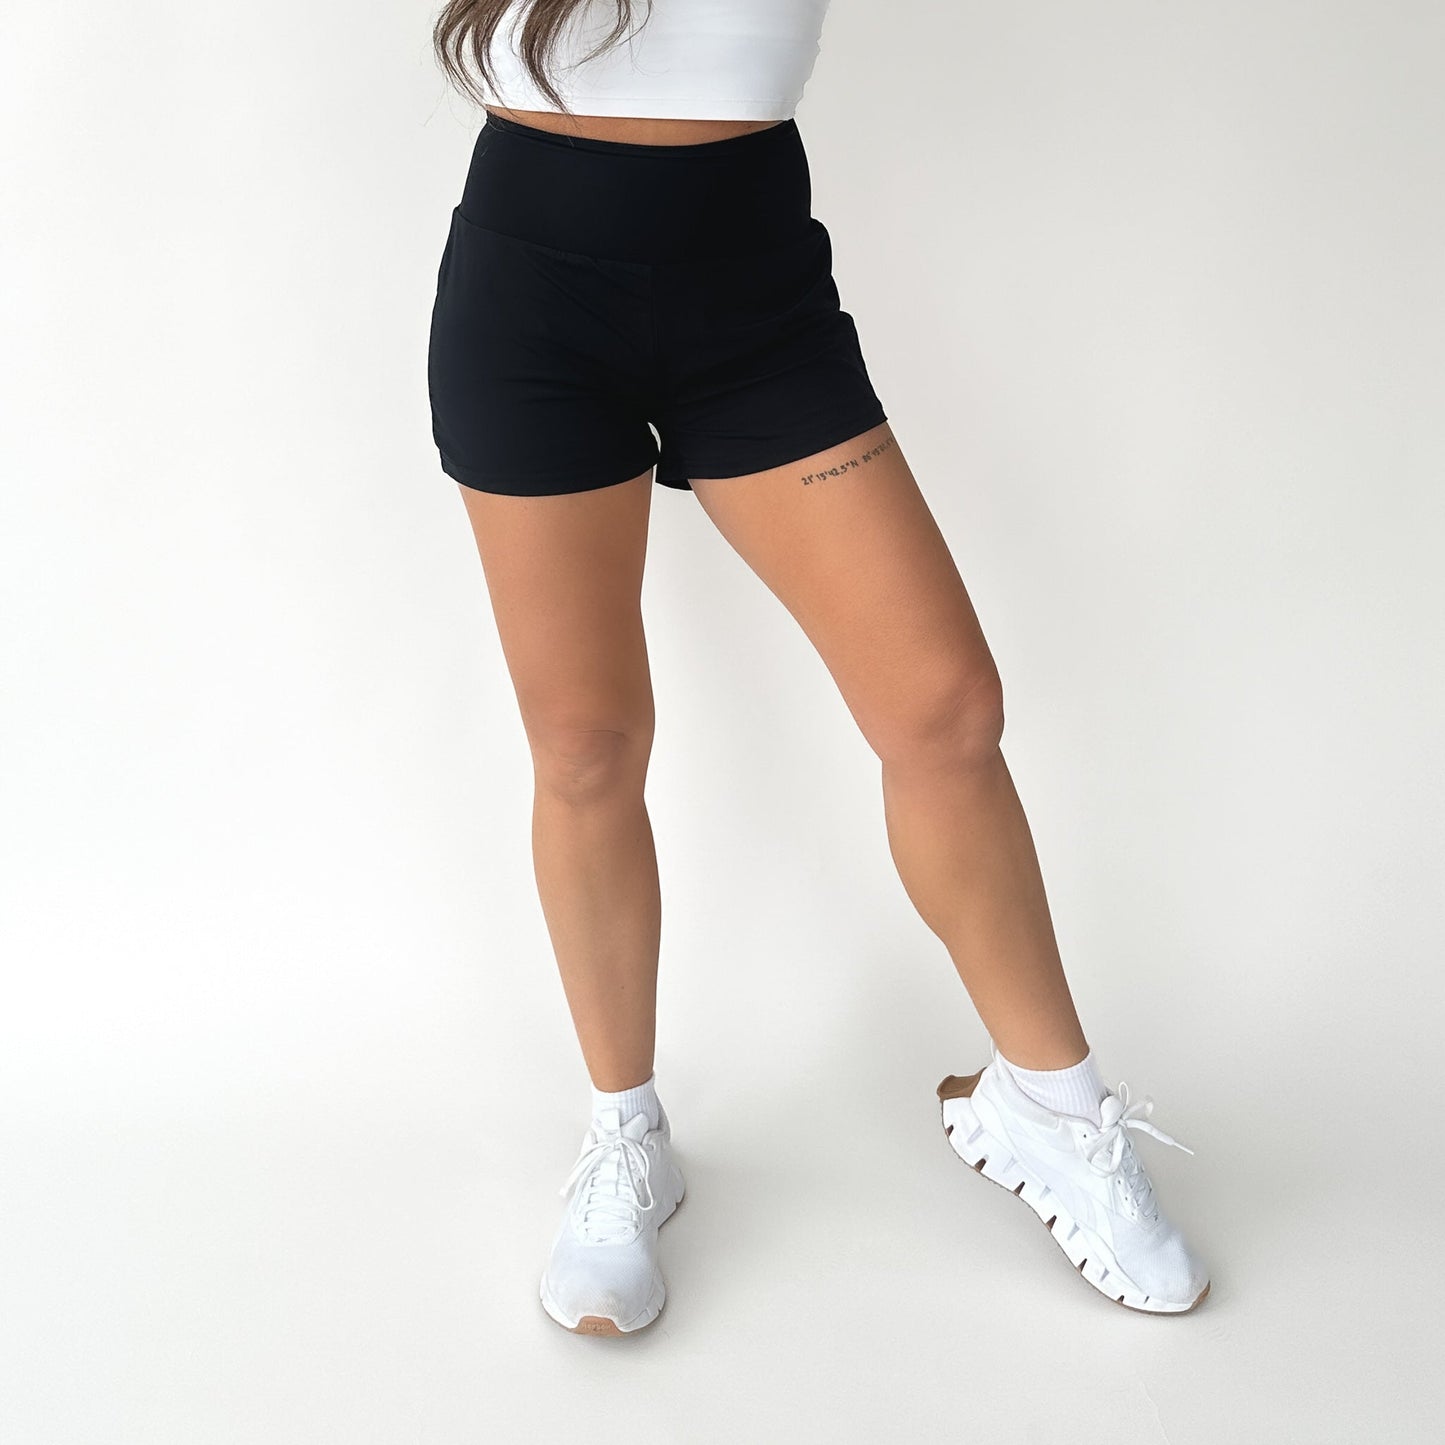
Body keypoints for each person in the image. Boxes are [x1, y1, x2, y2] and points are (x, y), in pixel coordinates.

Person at [426, 0, 1211, 1336]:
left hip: (751, 298)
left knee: (944, 707)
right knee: (585, 744)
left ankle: (1053, 1108)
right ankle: (625, 1138)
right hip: (531, 293)